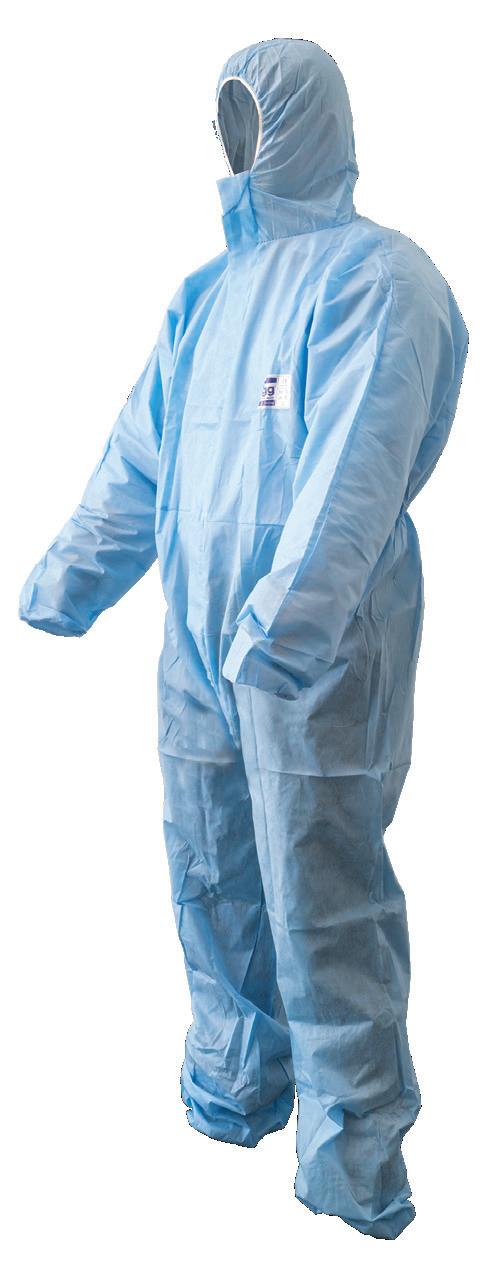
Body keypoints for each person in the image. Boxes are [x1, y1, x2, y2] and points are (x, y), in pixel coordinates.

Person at [20, 38, 468, 1238]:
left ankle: (352, 1146)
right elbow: (141, 455)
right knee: (211, 867)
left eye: (254, 119)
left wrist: (285, 623)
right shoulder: (205, 297)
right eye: (227, 120)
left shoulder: (381, 278)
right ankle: (238, 1078)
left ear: (303, 125)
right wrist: (68, 576)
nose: (238, 142)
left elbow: (355, 471)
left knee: (322, 893)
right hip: (196, 650)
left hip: (313, 654)